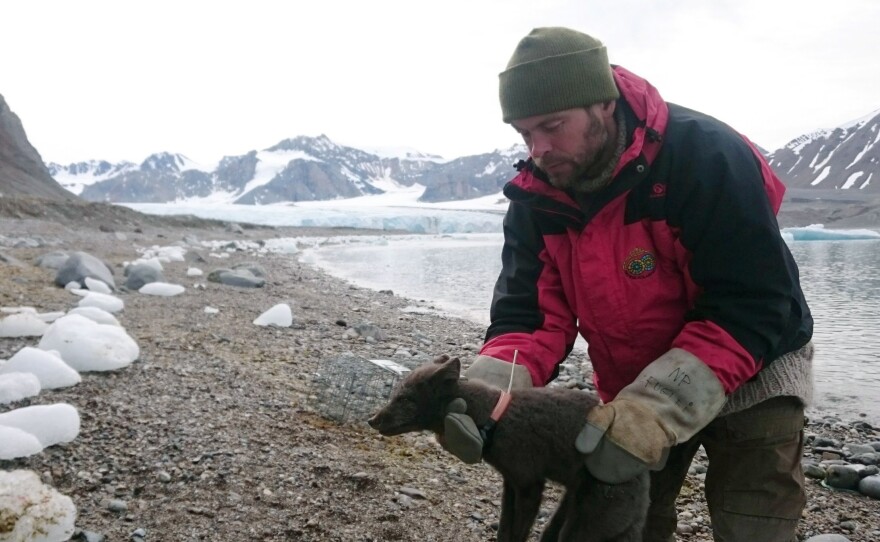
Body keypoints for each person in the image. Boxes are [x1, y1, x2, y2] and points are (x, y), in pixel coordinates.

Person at [441, 27, 814, 542]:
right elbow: (529, 318)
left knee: (755, 524)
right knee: (628, 523)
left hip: (758, 367)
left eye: (553, 125)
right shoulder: (537, 197)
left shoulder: (706, 158)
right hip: (633, 381)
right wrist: (487, 397)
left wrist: (656, 409)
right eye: (525, 133)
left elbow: (750, 304)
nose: (540, 149)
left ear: (603, 103)